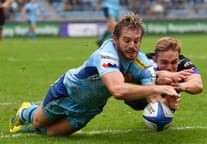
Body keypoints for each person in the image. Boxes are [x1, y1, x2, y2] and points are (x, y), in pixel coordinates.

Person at [9, 13, 180, 136]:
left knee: (52, 133)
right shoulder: (106, 53)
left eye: (136, 41)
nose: (132, 45)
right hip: (67, 92)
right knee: (39, 121)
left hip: (91, 107)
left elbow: (151, 94)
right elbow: (118, 90)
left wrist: (165, 105)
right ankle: (25, 111)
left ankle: (25, 129)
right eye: (127, 40)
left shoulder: (143, 63)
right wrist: (157, 87)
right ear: (115, 39)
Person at [125, 36, 203, 110]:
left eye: (173, 62)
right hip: (135, 97)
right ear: (155, 59)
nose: (169, 67)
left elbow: (198, 84)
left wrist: (180, 86)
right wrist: (171, 77)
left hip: (162, 96)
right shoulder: (146, 61)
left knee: (165, 109)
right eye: (164, 62)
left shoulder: (183, 62)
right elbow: (160, 76)